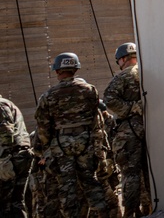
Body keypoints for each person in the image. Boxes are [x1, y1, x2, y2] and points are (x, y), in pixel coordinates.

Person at [33, 53, 114, 218]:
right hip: (86, 143)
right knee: (90, 182)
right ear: (75, 69)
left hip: (61, 147)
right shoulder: (90, 90)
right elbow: (96, 119)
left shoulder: (48, 95)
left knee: (67, 187)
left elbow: (43, 127)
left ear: (57, 71)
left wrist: (46, 148)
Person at [104, 43, 151, 218]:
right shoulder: (148, 73)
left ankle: (132, 212)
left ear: (123, 59)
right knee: (147, 170)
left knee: (131, 173)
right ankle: (150, 207)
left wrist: (131, 108)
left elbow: (109, 99)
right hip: (151, 128)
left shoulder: (123, 76)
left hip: (129, 131)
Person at [1, 93, 31, 218]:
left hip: (10, 159)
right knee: (17, 202)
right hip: (18, 156)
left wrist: (3, 162)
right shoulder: (6, 103)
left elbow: (6, 135)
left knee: (5, 205)